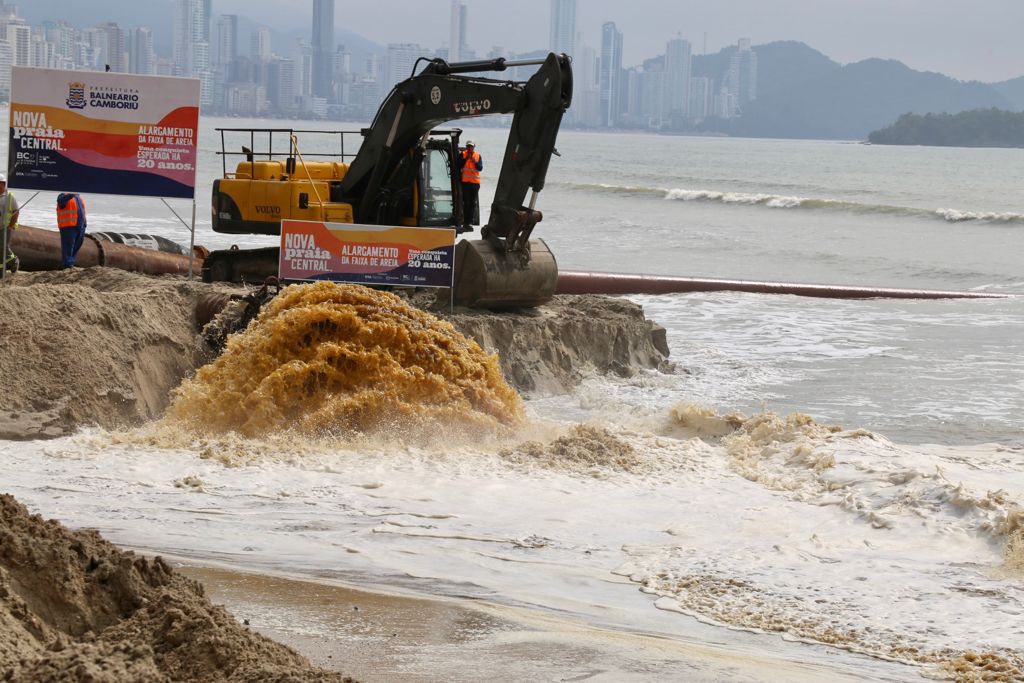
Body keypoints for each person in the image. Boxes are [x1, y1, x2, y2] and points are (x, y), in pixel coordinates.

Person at [56, 192, 87, 269]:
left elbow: (82, 211)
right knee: (68, 245)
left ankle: (71, 262)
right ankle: (68, 264)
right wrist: (71, 194)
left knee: (78, 243)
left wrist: (85, 224)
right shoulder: (63, 195)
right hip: (68, 226)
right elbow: (61, 202)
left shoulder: (78, 197)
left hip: (80, 225)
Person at [458, 140, 483, 233]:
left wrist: (474, 161)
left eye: (471, 146)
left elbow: (480, 168)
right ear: (466, 147)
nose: (469, 148)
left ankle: (470, 221)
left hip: (475, 183)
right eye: (468, 146)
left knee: (473, 203)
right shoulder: (462, 154)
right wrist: (465, 159)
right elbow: (458, 165)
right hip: (465, 183)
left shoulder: (477, 156)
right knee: (466, 203)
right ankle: (465, 221)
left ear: (474, 147)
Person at [0, 173, 19, 274]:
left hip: (6, 227)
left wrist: (11, 225)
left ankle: (14, 261)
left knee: (3, 247)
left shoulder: (9, 196)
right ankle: (1, 269)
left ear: (3, 184)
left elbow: (16, 211)